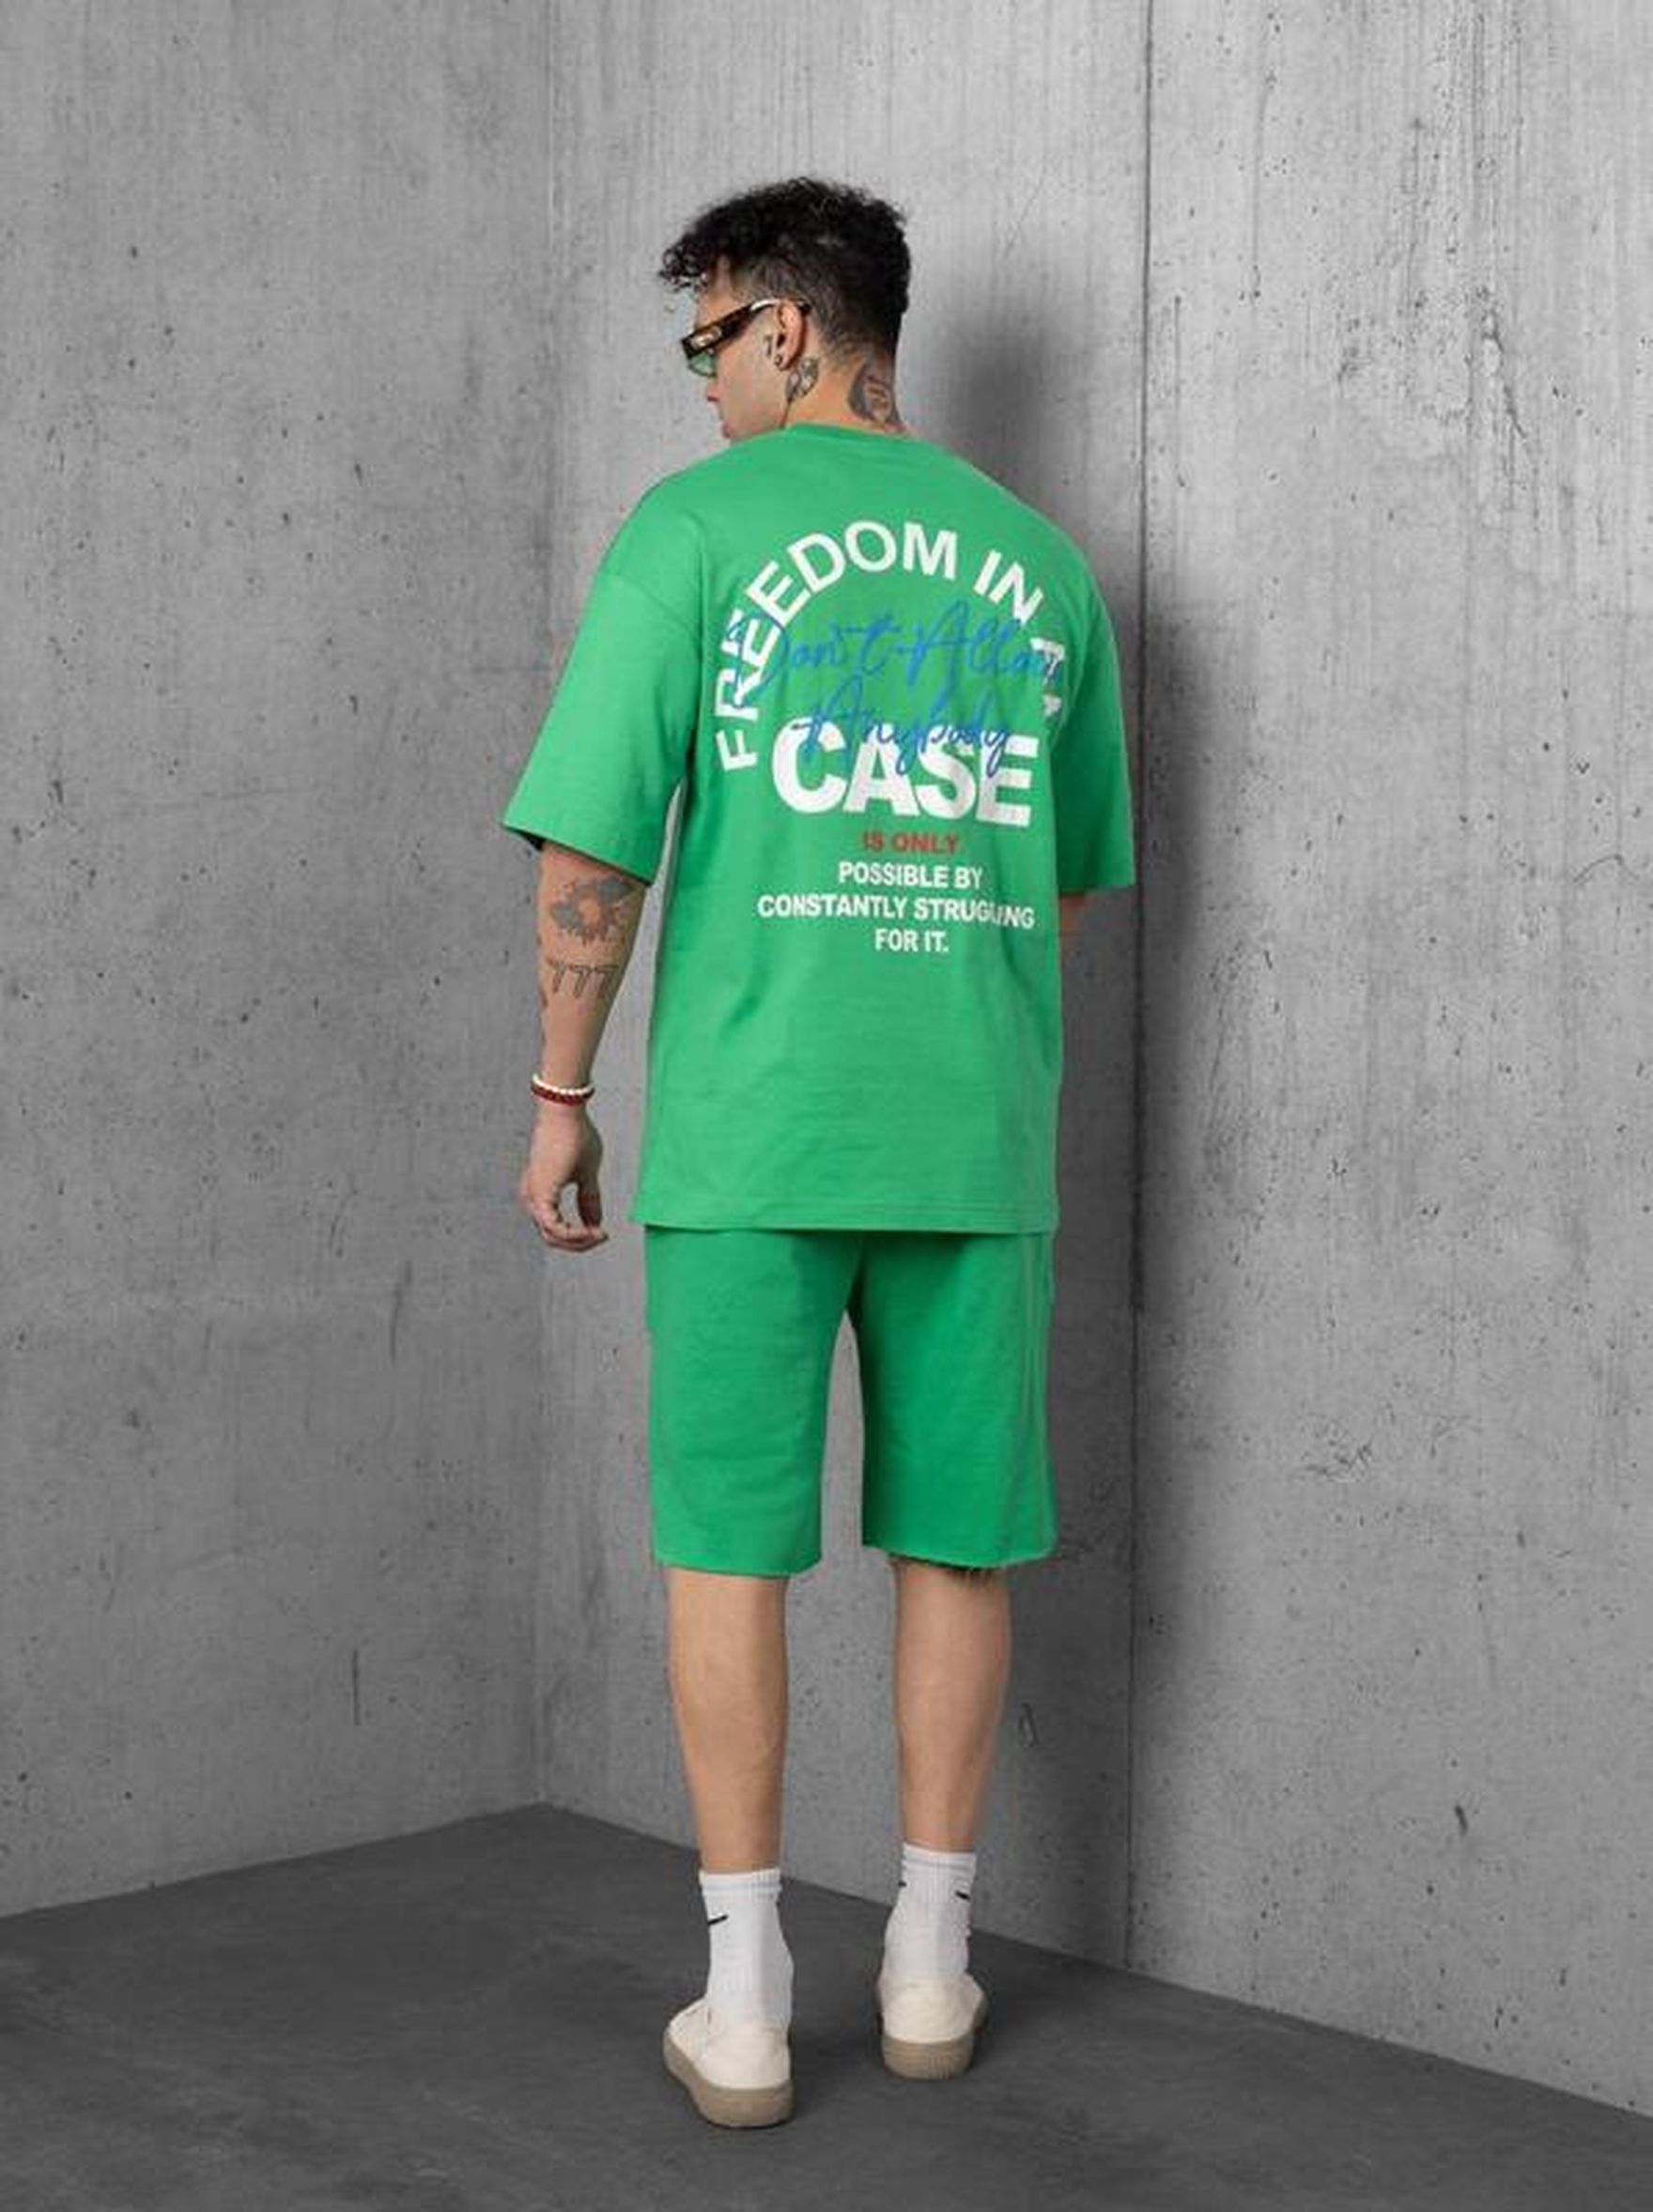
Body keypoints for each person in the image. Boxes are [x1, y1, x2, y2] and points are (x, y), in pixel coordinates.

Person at [499, 178, 1135, 2128]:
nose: (701, 387)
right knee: (959, 1542)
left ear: (785, 325)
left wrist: (560, 1091)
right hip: (971, 1135)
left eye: (707, 343)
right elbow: (1064, 881)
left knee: (727, 1548)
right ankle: (933, 1963)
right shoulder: (1042, 566)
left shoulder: (693, 533)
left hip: (754, 1134)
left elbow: (597, 842)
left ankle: (749, 1995)